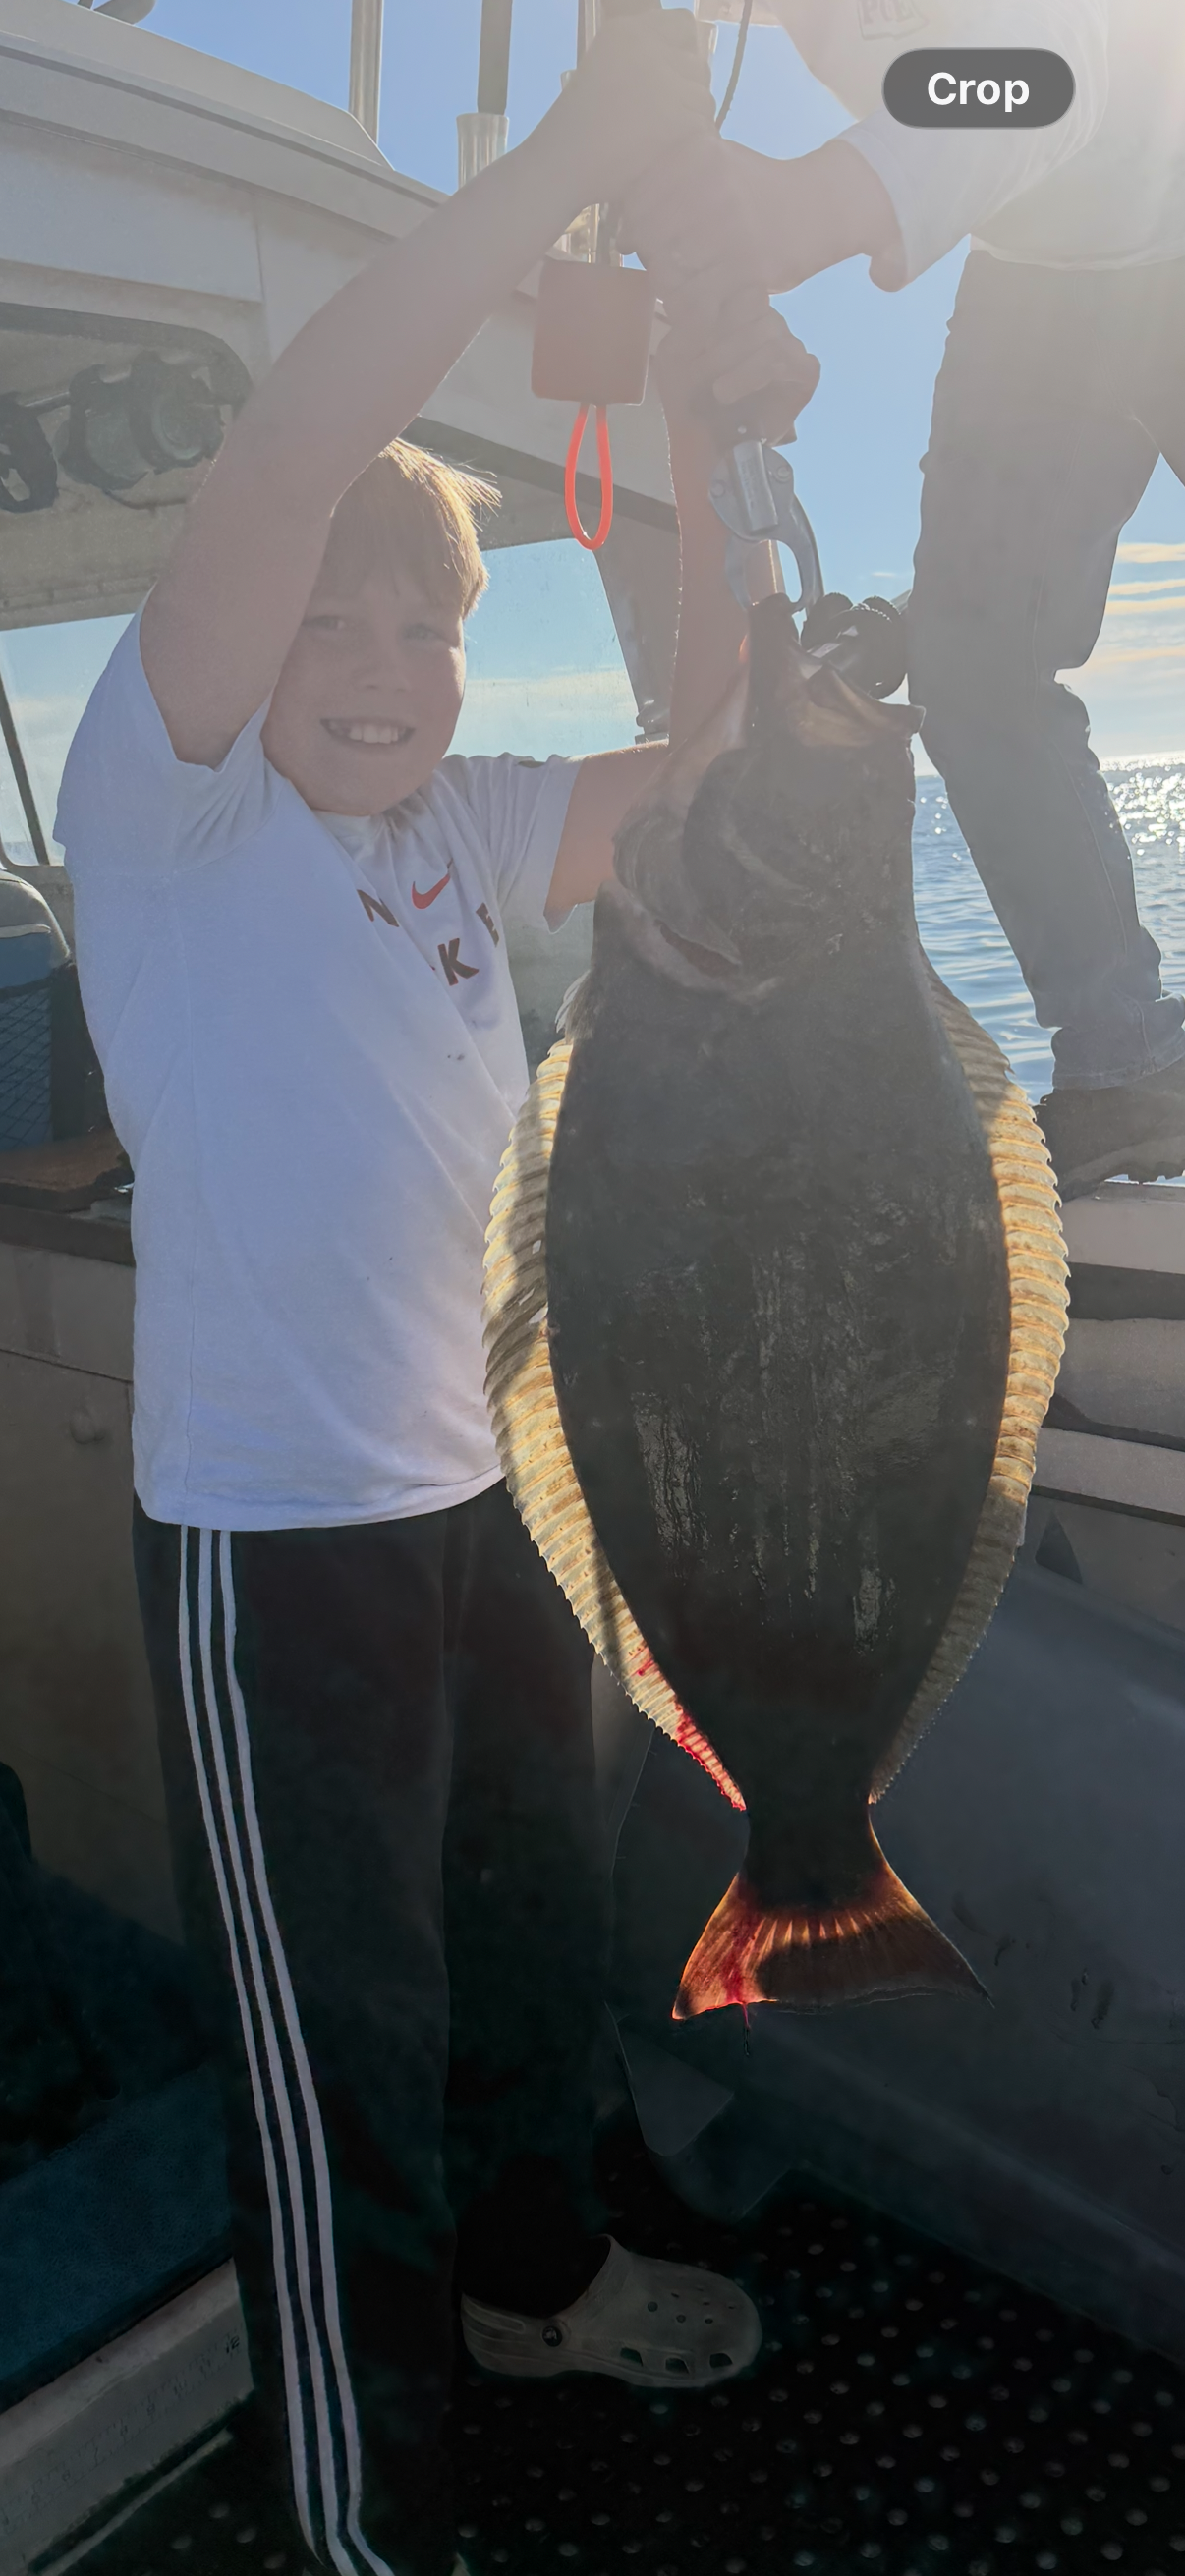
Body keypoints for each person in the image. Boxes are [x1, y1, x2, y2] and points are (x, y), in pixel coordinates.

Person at [55, 18, 819, 2576]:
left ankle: (526, 2282)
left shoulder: (462, 829)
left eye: (423, 625)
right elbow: (306, 438)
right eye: (332, 622)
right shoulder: (169, 802)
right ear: (243, 635)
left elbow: (703, 748)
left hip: (485, 1497)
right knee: (337, 2050)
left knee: (513, 1955)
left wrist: (714, 419)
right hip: (273, 1553)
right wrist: (575, 173)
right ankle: (368, 2513)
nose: (374, 658)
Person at [621, 0, 1185, 1197]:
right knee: (976, 676)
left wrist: (821, 201)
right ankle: (1128, 1067)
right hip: (1042, 273)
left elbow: (1060, 57)